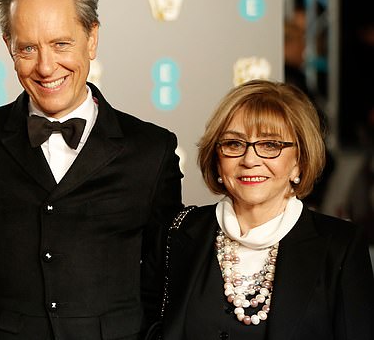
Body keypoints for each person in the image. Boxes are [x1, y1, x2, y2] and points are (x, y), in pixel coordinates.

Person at [0, 0, 183, 340]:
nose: (46, 66)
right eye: (28, 49)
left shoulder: (151, 151)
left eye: (61, 44)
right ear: (8, 47)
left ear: (92, 39)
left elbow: (166, 283)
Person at [159, 80, 373, 339]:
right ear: (217, 160)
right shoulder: (178, 232)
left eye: (270, 145)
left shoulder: (341, 247)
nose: (250, 160)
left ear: (299, 162)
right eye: (234, 144)